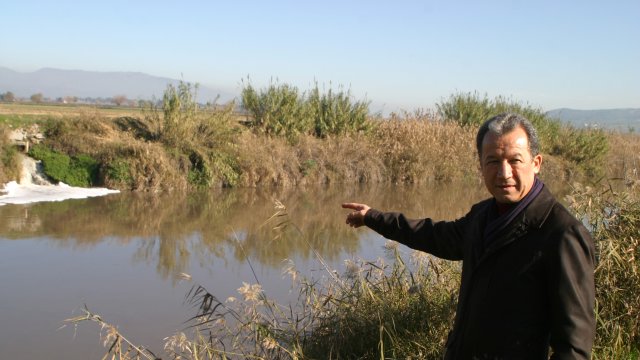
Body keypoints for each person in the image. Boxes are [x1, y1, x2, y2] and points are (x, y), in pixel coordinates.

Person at [342, 113, 595, 359]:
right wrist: (372, 217)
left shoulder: (561, 233)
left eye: (515, 160)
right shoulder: (482, 216)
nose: (504, 173)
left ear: (536, 163)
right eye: (493, 161)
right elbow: (433, 235)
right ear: (481, 165)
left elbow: (574, 347)